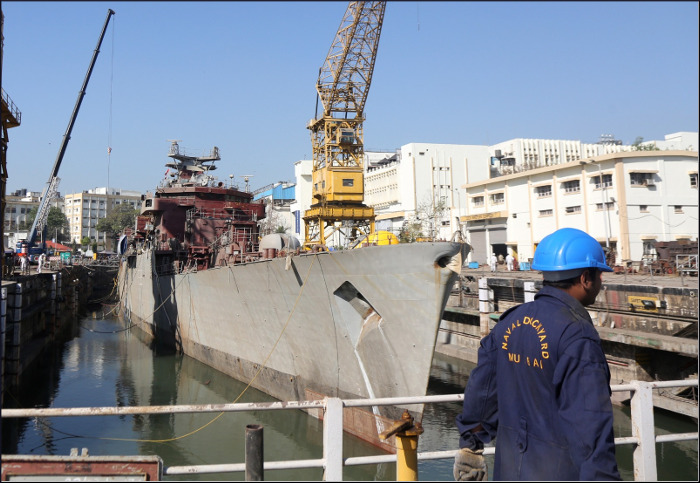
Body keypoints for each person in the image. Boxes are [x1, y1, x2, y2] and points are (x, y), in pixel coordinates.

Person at [454, 227, 620, 481]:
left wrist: (471, 444)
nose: (600, 283)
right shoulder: (577, 336)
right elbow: (590, 428)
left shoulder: (509, 322)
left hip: (510, 471)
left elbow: (482, 391)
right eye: (599, 275)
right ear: (586, 277)